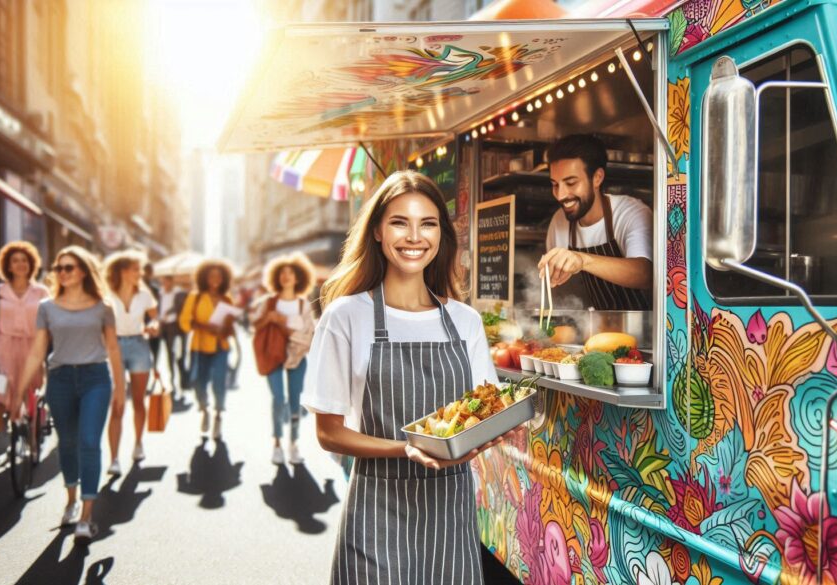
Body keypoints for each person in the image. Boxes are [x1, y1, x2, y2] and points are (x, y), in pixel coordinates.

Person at [301, 171, 514, 584]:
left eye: (428, 224)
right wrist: (406, 449)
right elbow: (328, 433)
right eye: (400, 222)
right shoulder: (345, 317)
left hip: (449, 509)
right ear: (378, 231)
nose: (414, 236)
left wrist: (490, 434)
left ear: (441, 235)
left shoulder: (464, 321)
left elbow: (486, 407)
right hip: (376, 509)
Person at [13, 246, 124, 543]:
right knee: (69, 443)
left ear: (83, 272)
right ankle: (71, 499)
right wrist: (19, 391)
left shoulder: (103, 306)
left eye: (69, 267)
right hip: (60, 379)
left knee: (89, 442)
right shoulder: (47, 307)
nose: (62, 272)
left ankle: (86, 517)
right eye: (59, 268)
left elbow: (113, 348)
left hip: (96, 379)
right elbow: (38, 350)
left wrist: (121, 390)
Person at [540, 134, 654, 310]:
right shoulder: (559, 222)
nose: (561, 195)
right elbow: (558, 293)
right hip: (598, 331)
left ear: (597, 178)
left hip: (646, 330)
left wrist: (582, 260)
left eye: (571, 183)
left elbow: (645, 273)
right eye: (555, 184)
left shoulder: (630, 213)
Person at [252, 253, 317, 465]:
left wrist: (281, 323)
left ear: (298, 278)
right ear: (276, 277)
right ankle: (277, 443)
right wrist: (267, 319)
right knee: (279, 400)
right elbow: (256, 326)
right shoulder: (268, 302)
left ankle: (294, 443)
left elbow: (308, 336)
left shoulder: (303, 305)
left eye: (291, 273)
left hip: (297, 359)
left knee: (296, 403)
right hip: (273, 356)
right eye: (282, 273)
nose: (286, 276)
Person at [104, 251, 159, 475]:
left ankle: (138, 443)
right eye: (136, 269)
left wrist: (154, 325)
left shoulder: (145, 295)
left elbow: (155, 317)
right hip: (111, 347)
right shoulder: (106, 294)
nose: (140, 273)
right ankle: (114, 458)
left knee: (138, 400)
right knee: (117, 404)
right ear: (123, 271)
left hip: (139, 345)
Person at [0, 242, 50, 434]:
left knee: (31, 389)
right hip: (3, 346)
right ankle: (4, 433)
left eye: (24, 260)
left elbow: (49, 322)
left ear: (31, 264)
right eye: (15, 261)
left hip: (33, 346)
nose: (20, 264)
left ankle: (30, 428)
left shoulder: (41, 292)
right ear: (8, 265)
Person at [179, 259, 236, 440]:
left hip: (221, 347)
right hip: (199, 347)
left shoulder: (227, 299)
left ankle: (218, 414)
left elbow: (230, 324)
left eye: (219, 276)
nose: (215, 279)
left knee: (219, 382)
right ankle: (204, 409)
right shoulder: (195, 297)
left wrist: (225, 328)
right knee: (198, 382)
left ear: (224, 278)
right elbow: (184, 322)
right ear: (204, 277)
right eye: (211, 275)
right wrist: (205, 327)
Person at [156, 274, 187, 392]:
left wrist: (169, 312)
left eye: (167, 281)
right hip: (163, 326)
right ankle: (172, 378)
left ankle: (181, 380)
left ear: (171, 281)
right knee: (169, 353)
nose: (165, 284)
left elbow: (180, 307)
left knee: (179, 353)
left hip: (176, 326)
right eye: (163, 281)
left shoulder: (179, 293)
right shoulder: (160, 293)